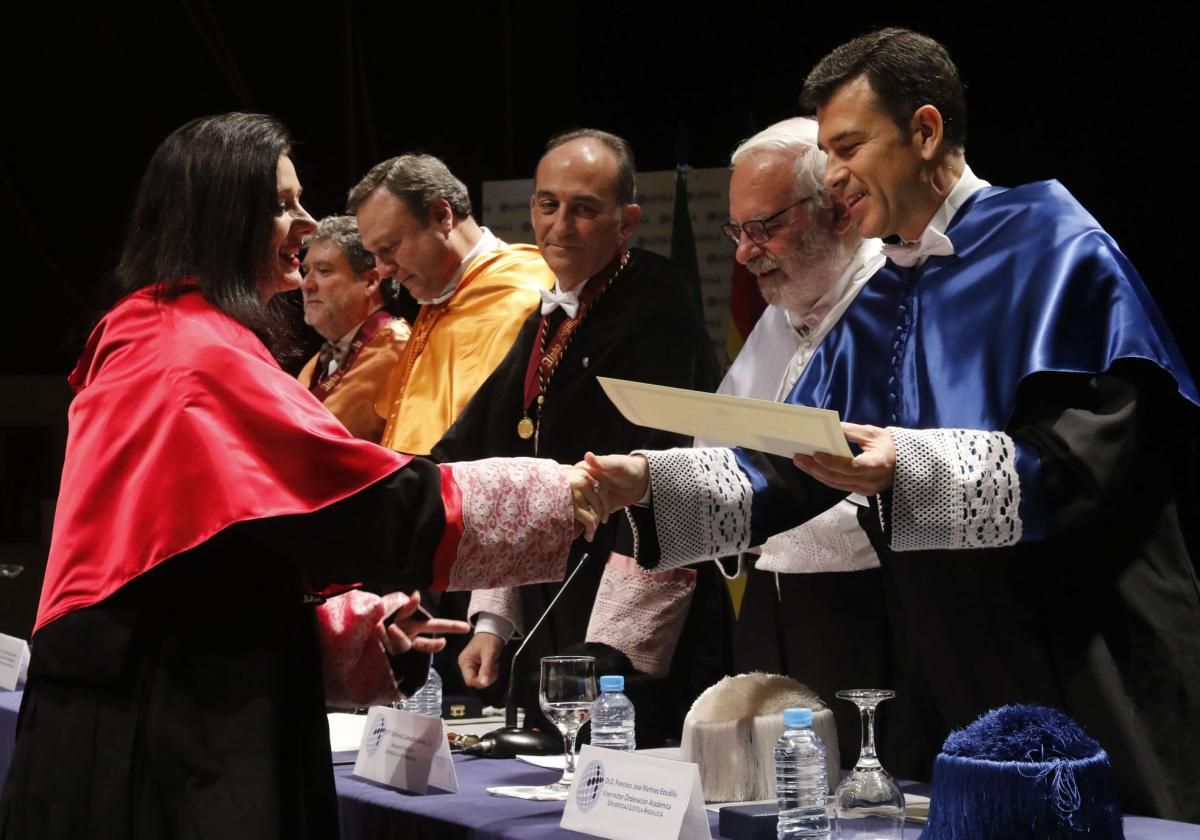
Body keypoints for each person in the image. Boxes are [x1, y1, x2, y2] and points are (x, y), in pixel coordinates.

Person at [587, 29, 1200, 821]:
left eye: (847, 147)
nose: (833, 176)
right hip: (948, 663)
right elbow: (790, 462)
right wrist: (649, 481)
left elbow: (1093, 455)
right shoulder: (878, 294)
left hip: (1084, 647)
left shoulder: (1054, 245)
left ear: (926, 130)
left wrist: (904, 467)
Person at [0, 112, 608, 838]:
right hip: (170, 735)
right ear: (223, 213)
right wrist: (564, 495)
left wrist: (341, 630)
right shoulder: (197, 355)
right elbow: (365, 501)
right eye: (283, 204)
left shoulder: (151, 329)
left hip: (130, 703)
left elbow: (205, 556)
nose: (307, 223)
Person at [433, 129, 730, 743]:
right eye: (548, 204)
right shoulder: (550, 315)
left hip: (630, 617)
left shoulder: (655, 303)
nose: (560, 225)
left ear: (627, 222)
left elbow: (667, 481)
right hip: (554, 597)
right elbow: (507, 460)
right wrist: (492, 617)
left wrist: (608, 656)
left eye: (584, 208)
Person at [716, 117, 889, 764]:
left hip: (862, 607)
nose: (743, 253)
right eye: (737, 231)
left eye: (764, 228)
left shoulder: (890, 302)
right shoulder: (782, 313)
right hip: (772, 599)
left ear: (840, 212)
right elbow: (723, 445)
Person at [348, 154, 554, 456]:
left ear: (442, 215)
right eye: (374, 253)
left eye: (390, 247)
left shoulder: (529, 292)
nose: (383, 269)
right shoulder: (440, 295)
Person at [296, 215, 410, 443]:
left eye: (324, 271)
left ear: (370, 282)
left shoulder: (402, 351)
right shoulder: (316, 362)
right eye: (306, 270)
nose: (307, 284)